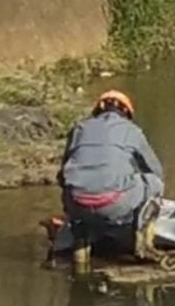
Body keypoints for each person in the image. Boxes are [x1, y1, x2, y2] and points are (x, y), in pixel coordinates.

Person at [58, 90, 164, 251]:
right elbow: (156, 170)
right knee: (155, 182)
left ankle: (81, 241)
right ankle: (142, 238)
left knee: (72, 187)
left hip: (76, 206)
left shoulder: (79, 129)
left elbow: (62, 176)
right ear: (127, 112)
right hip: (114, 204)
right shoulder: (131, 130)